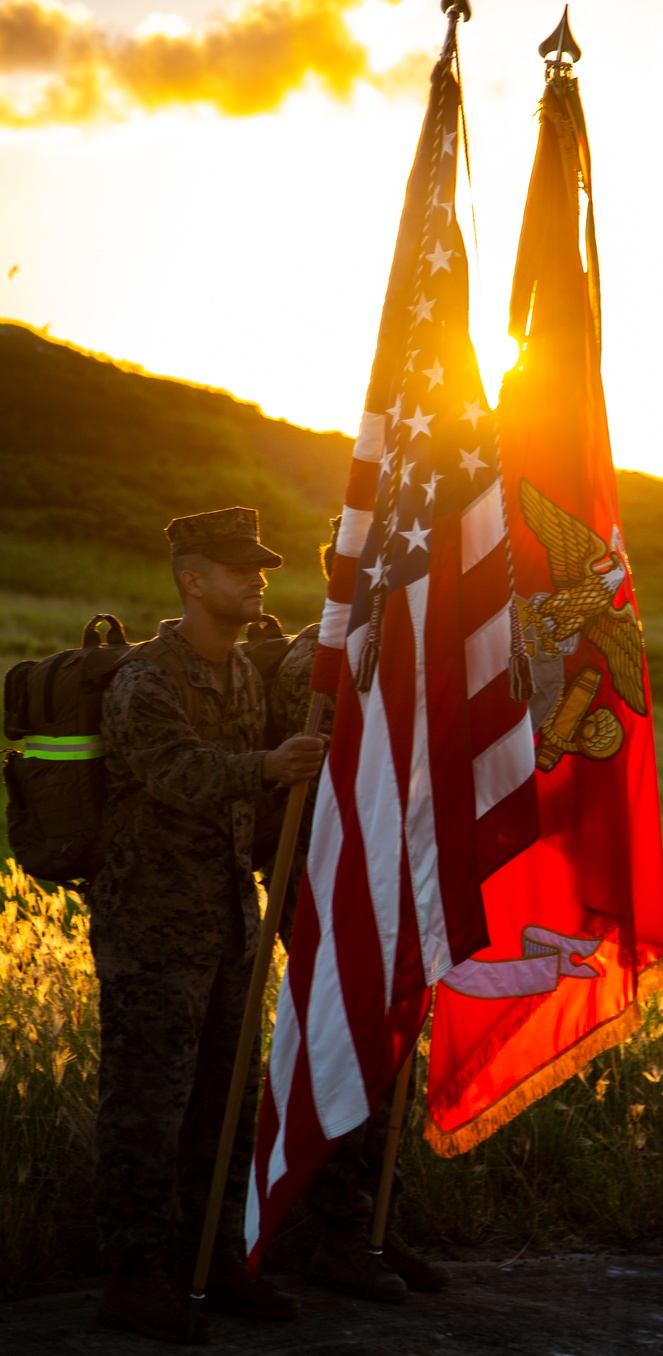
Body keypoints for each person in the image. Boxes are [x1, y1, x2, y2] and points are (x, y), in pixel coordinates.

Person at [89, 506, 328, 1344]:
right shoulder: (146, 680)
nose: (257, 579)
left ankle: (212, 1259)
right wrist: (266, 766)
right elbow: (169, 771)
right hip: (153, 923)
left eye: (259, 567)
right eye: (238, 568)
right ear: (192, 580)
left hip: (228, 919)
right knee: (149, 1105)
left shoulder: (244, 676)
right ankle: (132, 1275)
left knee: (228, 1099)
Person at [266, 535, 448, 1304]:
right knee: (343, 1050)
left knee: (391, 1056)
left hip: (398, 888)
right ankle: (336, 1234)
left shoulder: (404, 656)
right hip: (331, 892)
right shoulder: (318, 660)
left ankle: (373, 1223)